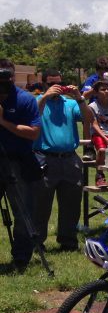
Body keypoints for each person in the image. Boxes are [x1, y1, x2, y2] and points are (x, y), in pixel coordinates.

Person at [33, 69, 93, 252]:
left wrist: (80, 98)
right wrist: (45, 97)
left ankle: (68, 240)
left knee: (71, 203)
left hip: (69, 159)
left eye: (58, 83)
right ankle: (37, 241)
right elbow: (33, 116)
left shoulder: (70, 103)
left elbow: (88, 118)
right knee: (41, 203)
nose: (56, 87)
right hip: (44, 158)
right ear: (44, 84)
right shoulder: (36, 101)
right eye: (51, 84)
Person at [0, 57, 42, 272]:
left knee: (23, 211)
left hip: (19, 161)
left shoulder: (25, 100)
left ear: (13, 76)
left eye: (6, 77)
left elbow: (34, 132)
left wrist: (3, 122)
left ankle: (21, 259)